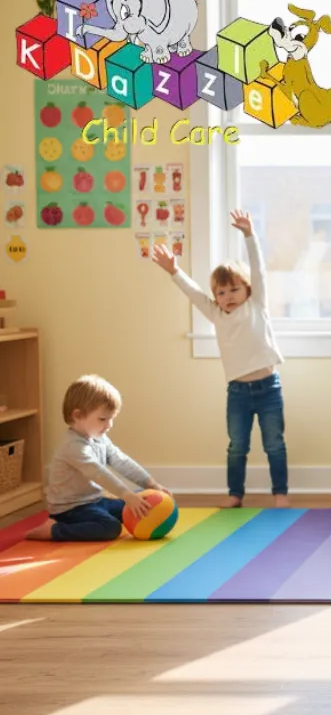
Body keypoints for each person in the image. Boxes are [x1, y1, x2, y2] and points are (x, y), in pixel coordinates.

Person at [153, 209, 288, 508]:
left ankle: (280, 494)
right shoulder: (216, 314)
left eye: (234, 289)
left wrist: (250, 235)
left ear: (247, 290)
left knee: (274, 444)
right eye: (221, 292)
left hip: (268, 388)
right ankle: (235, 494)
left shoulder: (256, 305)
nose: (227, 296)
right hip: (238, 392)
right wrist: (174, 271)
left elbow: (259, 269)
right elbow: (195, 293)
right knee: (237, 446)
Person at [26, 375, 171, 542]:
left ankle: (115, 507)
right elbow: (98, 473)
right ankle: (55, 530)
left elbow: (121, 461)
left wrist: (150, 484)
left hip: (95, 501)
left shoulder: (99, 438)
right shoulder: (73, 446)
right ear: (77, 415)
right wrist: (126, 495)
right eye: (103, 419)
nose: (109, 424)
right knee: (110, 528)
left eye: (111, 418)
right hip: (70, 509)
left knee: (143, 500)